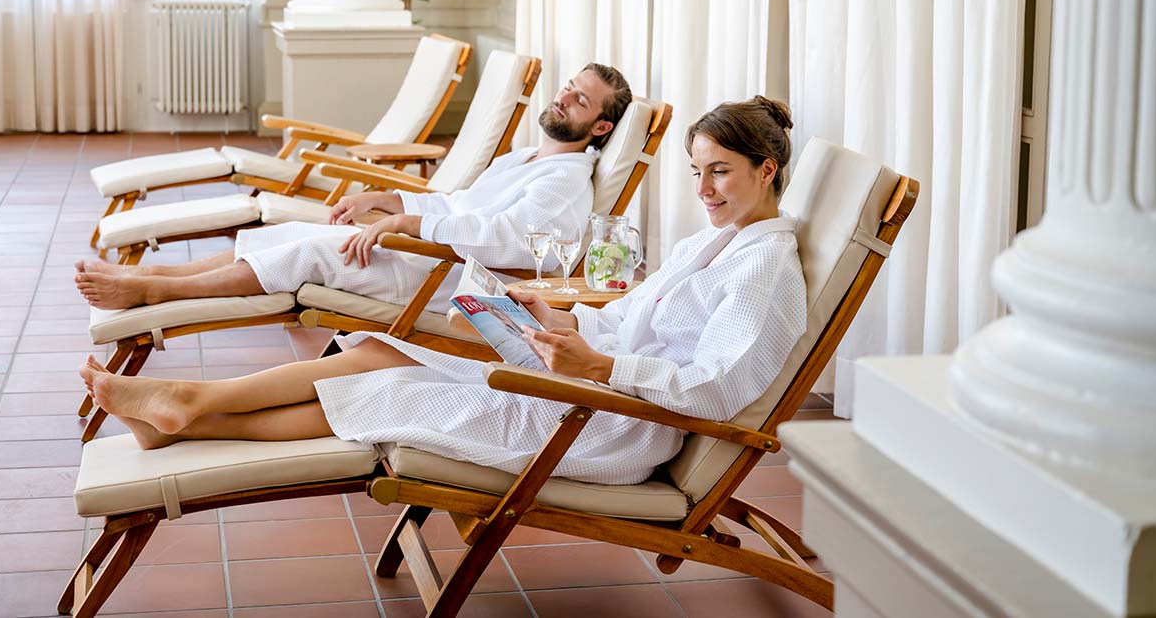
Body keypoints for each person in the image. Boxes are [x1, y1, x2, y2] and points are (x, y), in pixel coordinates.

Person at [79, 97, 807, 487]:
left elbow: (714, 390)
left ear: (765, 169)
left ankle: (192, 412)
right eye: (696, 172)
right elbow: (633, 316)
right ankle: (186, 408)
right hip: (585, 382)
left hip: (611, 423)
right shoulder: (712, 242)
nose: (704, 189)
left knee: (391, 390)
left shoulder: (762, 270)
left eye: (719, 172)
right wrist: (560, 316)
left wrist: (600, 368)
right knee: (377, 347)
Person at [73, 64, 632, 311]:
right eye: (567, 89)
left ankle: (157, 292)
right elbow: (460, 205)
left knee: (312, 249)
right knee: (297, 229)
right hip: (429, 252)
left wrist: (406, 224)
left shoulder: (564, 181)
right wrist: (389, 200)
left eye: (580, 101)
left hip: (452, 279)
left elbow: (511, 243)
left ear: (600, 128)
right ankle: (148, 275)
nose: (562, 99)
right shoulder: (527, 157)